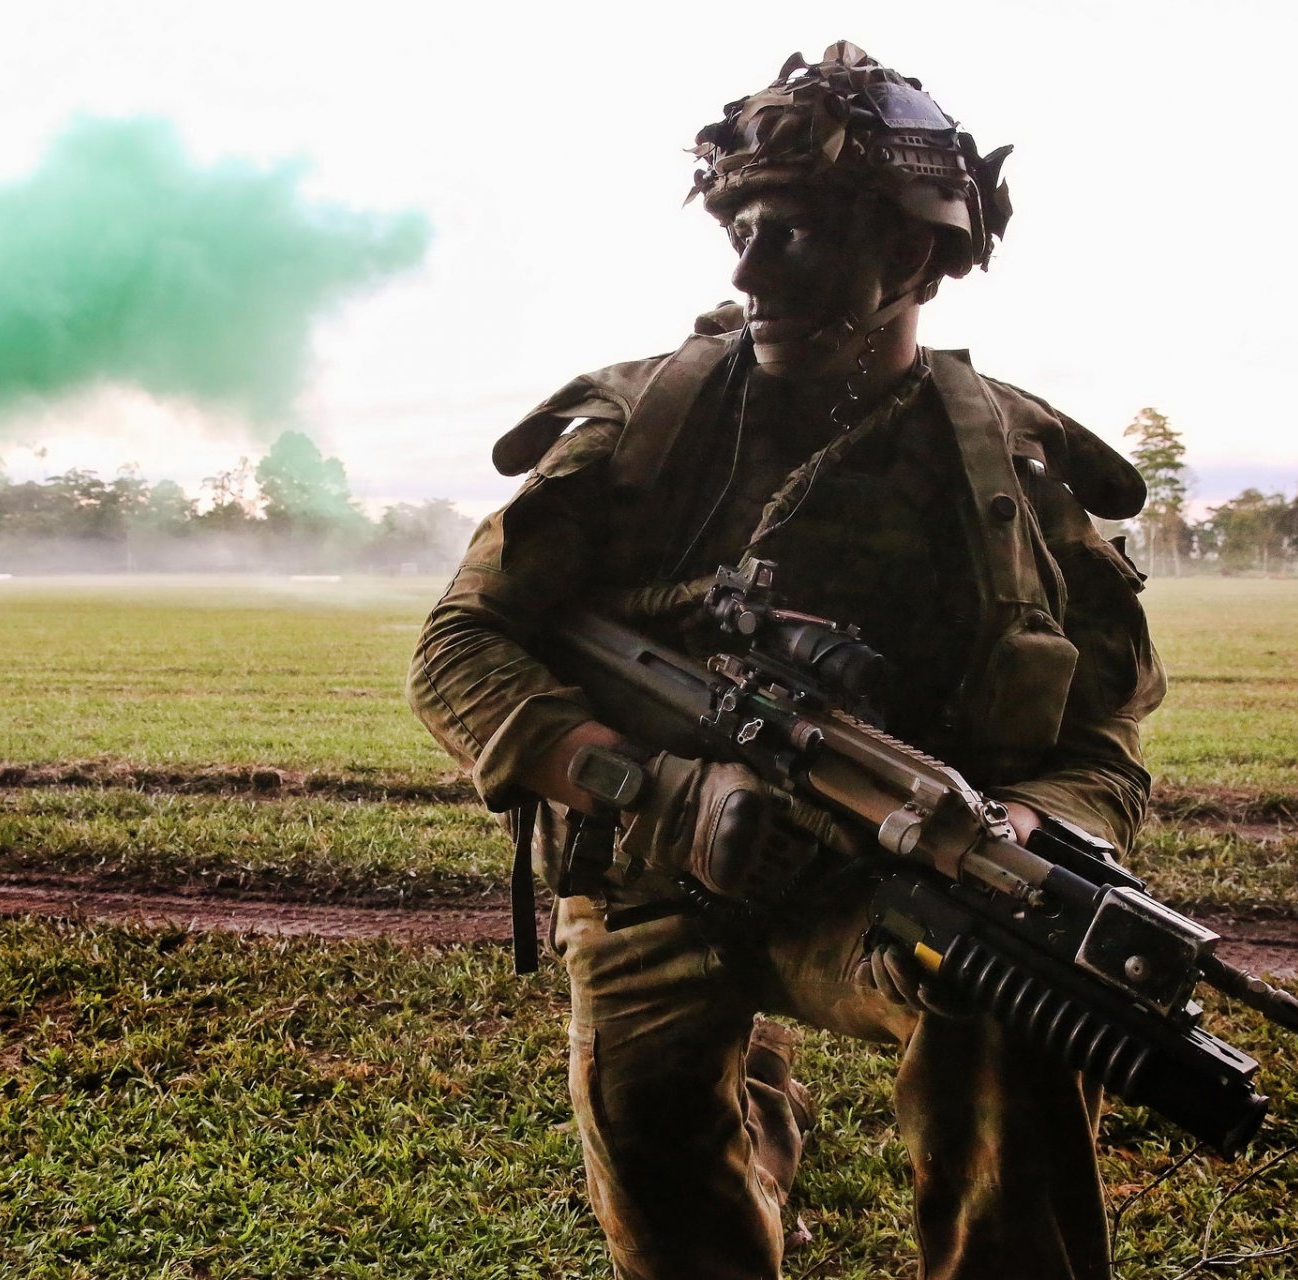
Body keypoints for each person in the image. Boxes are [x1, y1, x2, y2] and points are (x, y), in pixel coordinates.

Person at [409, 40, 1165, 1280]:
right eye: (740, 225)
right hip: (654, 863)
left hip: (885, 884)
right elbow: (459, 646)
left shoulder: (1013, 469)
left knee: (1023, 993)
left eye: (797, 229)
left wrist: (1034, 824)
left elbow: (1106, 730)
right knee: (673, 1204)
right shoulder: (644, 426)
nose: (750, 265)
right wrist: (654, 788)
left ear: (915, 253)